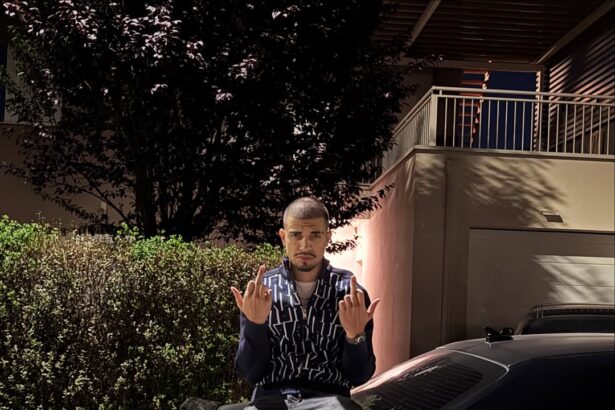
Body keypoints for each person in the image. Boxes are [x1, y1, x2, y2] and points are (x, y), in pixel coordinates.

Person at [229, 197, 381, 409]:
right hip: (271, 399)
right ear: (283, 237)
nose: (305, 245)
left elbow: (359, 376)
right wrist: (255, 325)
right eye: (296, 235)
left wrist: (355, 337)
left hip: (329, 401)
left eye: (315, 235)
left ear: (327, 237)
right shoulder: (262, 292)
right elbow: (250, 372)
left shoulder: (349, 294)